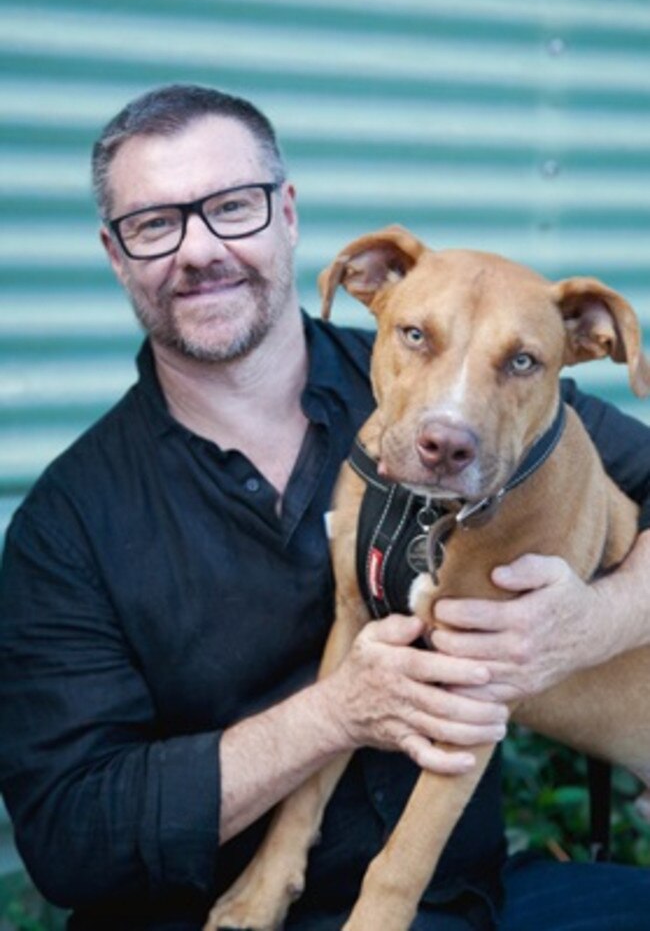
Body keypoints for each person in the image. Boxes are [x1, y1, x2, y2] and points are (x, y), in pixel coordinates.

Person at [0, 83, 649, 931]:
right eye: (155, 224)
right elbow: (72, 838)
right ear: (116, 254)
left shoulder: (483, 408)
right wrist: (336, 712)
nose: (200, 250)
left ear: (288, 217)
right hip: (210, 911)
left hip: (467, 894)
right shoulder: (68, 526)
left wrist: (599, 620)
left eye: (232, 206)